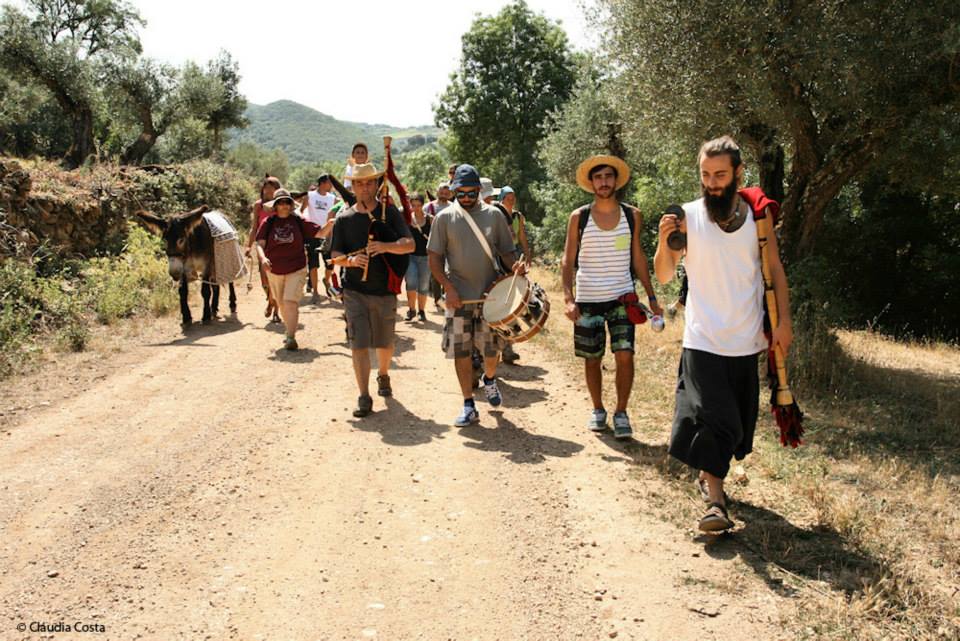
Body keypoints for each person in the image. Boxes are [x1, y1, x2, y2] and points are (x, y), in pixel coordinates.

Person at [654, 136, 793, 533]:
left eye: (720, 175)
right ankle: (715, 503)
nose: (712, 183)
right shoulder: (688, 216)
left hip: (746, 340)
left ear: (738, 174)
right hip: (702, 340)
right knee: (713, 418)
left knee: (735, 428)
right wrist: (665, 242)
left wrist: (785, 322)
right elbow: (665, 274)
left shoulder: (757, 217)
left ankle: (708, 475)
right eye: (705, 175)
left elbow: (775, 270)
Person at [560, 155, 663, 440]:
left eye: (608, 176)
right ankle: (597, 410)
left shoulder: (632, 215)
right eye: (598, 177)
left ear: (615, 180)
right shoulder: (578, 217)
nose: (603, 182)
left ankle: (621, 413)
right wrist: (569, 299)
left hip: (622, 297)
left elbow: (638, 257)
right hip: (588, 298)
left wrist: (651, 296)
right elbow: (567, 261)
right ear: (591, 183)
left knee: (625, 355)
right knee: (592, 359)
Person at [428, 164, 525, 427]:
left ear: (480, 191)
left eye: (473, 193)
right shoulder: (444, 218)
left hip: (490, 297)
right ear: (454, 191)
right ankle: (468, 404)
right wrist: (447, 287)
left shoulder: (494, 215)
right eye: (463, 193)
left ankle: (490, 379)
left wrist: (515, 264)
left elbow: (507, 250)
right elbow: (434, 256)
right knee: (460, 351)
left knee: (492, 351)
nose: (468, 198)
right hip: (458, 297)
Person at [329, 163, 414, 417]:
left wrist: (385, 247)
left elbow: (409, 244)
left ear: (376, 184)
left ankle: (384, 374)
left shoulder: (390, 213)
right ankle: (364, 395)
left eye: (369, 182)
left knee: (385, 343)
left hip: (385, 290)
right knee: (359, 345)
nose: (364, 187)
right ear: (352, 187)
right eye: (359, 183)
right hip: (354, 290)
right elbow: (335, 254)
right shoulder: (344, 219)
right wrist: (351, 261)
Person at [255, 189, 327, 351]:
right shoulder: (269, 222)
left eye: (287, 202)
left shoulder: (298, 221)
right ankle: (289, 331)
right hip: (274, 269)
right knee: (281, 303)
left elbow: (320, 232)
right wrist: (263, 258)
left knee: (290, 302)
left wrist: (334, 222)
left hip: (296, 267)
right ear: (275, 205)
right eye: (280, 202)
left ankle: (291, 337)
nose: (284, 205)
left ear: (290, 205)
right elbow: (260, 244)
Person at [493, 185, 530, 365]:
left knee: (511, 300)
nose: (511, 199)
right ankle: (497, 349)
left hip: (511, 255)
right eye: (508, 196)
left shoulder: (517, 216)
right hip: (497, 257)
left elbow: (521, 236)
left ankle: (507, 347)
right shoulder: (495, 212)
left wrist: (527, 254)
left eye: (513, 196)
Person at [246, 176, 282, 324]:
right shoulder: (258, 206)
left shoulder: (281, 204)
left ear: (277, 189)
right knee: (265, 281)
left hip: (279, 245)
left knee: (277, 279)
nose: (267, 190)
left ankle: (275, 310)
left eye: (271, 187)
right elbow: (254, 227)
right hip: (263, 245)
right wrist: (248, 245)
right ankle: (271, 299)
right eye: (266, 187)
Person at [300, 174, 338, 303]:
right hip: (313, 234)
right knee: (313, 264)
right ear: (323, 183)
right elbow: (301, 212)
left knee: (330, 263)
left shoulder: (333, 198)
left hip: (328, 234)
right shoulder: (309, 196)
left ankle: (326, 280)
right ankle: (315, 291)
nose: (331, 186)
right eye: (330, 183)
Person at [404, 193, 432, 322]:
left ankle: (421, 311)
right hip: (410, 256)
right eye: (413, 205)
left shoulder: (431, 219)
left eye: (418, 205)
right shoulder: (407, 220)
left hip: (426, 257)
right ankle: (411, 310)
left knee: (424, 285)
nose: (416, 208)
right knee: (411, 282)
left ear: (423, 205)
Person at [425, 182, 453, 312]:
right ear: (437, 192)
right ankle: (437, 300)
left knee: (450, 271)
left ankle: (447, 297)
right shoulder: (428, 207)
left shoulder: (454, 207)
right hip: (434, 244)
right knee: (436, 272)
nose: (444, 194)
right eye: (442, 192)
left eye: (446, 193)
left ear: (450, 194)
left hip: (451, 244)